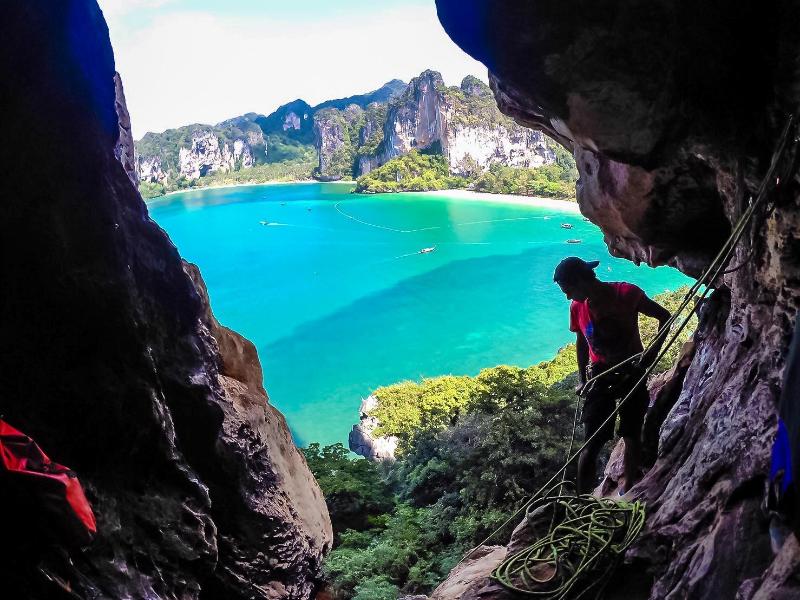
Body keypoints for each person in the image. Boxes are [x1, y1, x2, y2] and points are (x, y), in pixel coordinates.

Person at [553, 257, 670, 495]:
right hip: (600, 374)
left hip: (632, 371)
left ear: (581, 281)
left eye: (568, 290)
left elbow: (664, 317)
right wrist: (583, 379)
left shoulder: (626, 294)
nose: (567, 297)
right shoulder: (578, 307)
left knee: (631, 432)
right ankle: (582, 499)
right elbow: (582, 343)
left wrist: (650, 356)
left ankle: (627, 487)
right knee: (593, 440)